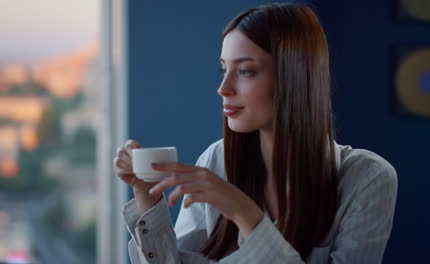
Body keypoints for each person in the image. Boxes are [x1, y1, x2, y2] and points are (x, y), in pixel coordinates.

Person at [113, 3, 398, 264]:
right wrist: (144, 194)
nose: (223, 88)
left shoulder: (367, 178)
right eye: (223, 69)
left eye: (245, 71)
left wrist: (244, 212)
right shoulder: (217, 159)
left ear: (294, 77)